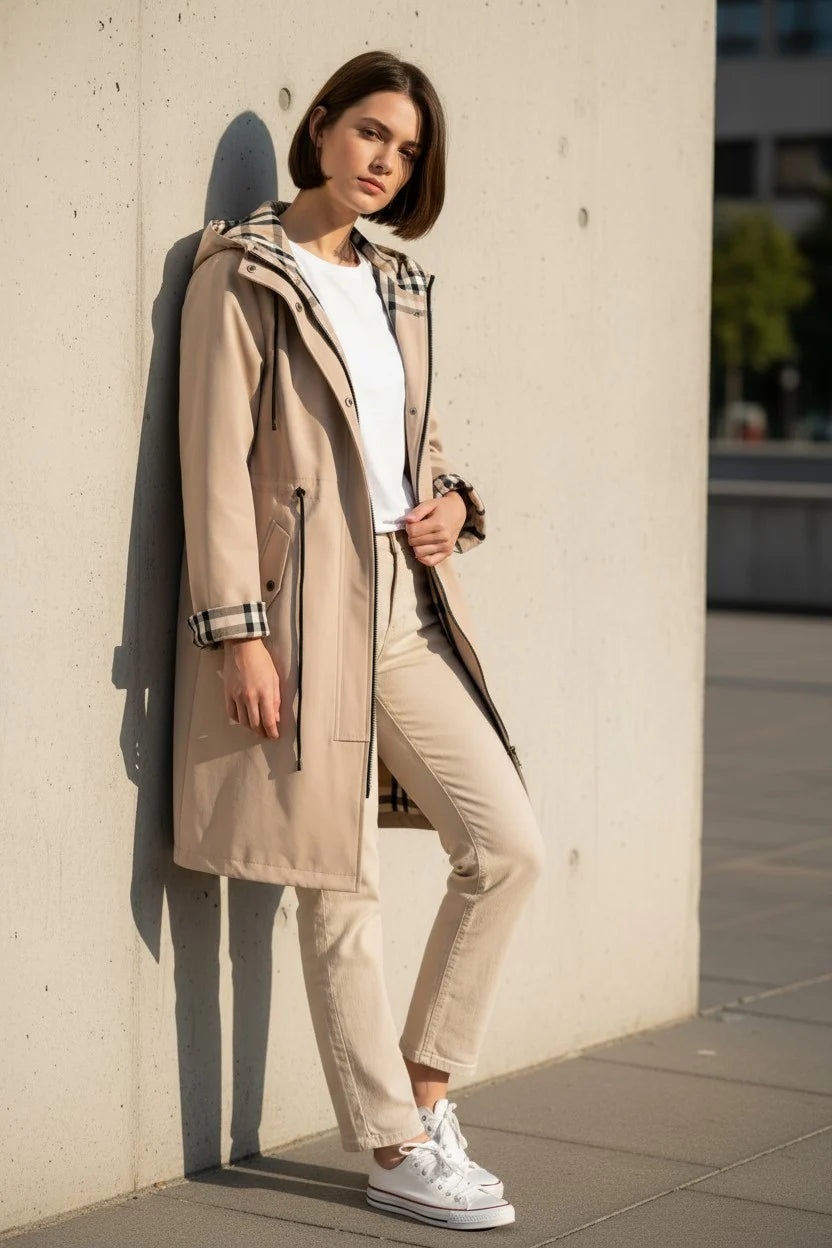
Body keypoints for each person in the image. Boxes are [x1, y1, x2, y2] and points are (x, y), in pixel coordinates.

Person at [173, 48, 546, 1232]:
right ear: (322, 126)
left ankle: (424, 1092)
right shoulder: (242, 275)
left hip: (404, 599)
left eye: (409, 149)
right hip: (299, 608)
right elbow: (215, 468)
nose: (387, 161)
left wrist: (454, 506)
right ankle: (391, 1146)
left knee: (507, 846)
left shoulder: (399, 284)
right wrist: (241, 634)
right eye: (373, 132)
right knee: (338, 877)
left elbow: (402, 443)